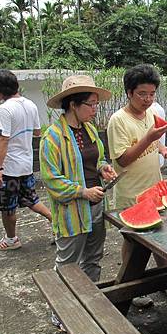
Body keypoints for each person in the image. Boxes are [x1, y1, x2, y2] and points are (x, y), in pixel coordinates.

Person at [106, 65, 167, 306]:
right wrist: (149, 139)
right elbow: (122, 159)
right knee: (132, 242)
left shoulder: (149, 114)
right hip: (130, 192)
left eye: (152, 94)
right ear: (129, 92)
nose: (148, 100)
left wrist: (162, 148)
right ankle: (129, 286)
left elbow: (154, 140)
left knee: (160, 236)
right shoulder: (118, 120)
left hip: (154, 187)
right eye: (142, 94)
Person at [40, 75, 116, 285]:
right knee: (67, 264)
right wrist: (83, 192)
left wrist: (103, 169)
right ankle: (61, 312)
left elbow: (97, 158)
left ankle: (91, 301)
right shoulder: (52, 137)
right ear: (73, 105)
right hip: (71, 213)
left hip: (97, 205)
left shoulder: (89, 129)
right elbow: (52, 180)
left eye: (96, 104)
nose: (95, 110)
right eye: (91, 104)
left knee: (93, 259)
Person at [0, 70, 52, 252]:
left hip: (9, 167)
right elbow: (37, 132)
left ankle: (10, 239)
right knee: (31, 199)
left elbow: (3, 139)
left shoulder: (5, 109)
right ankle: (58, 225)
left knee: (7, 207)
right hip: (26, 163)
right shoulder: (30, 104)